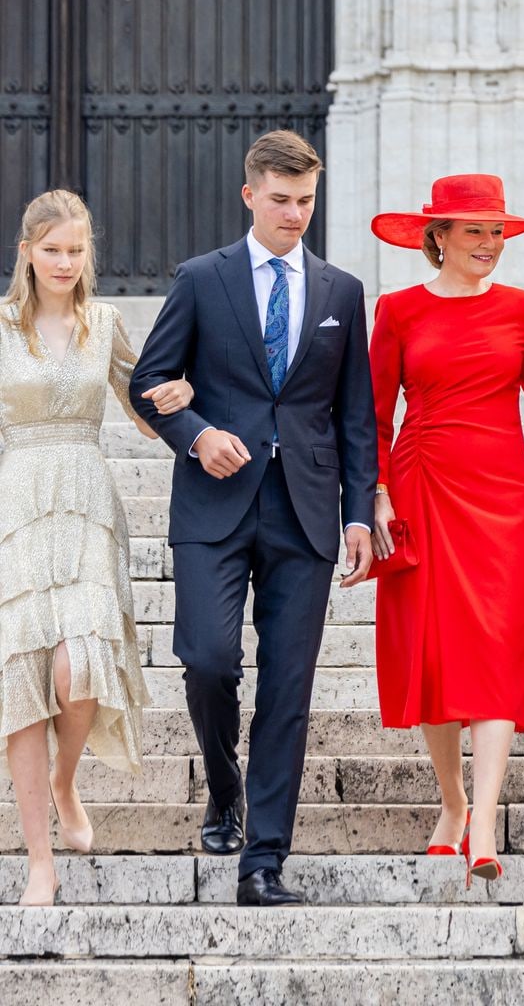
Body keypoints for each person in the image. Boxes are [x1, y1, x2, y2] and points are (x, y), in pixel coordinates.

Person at [130, 130, 378, 905]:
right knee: (207, 660)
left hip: (305, 512)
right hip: (213, 505)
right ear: (250, 195)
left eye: (306, 201)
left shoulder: (341, 292)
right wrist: (197, 434)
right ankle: (225, 787)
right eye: (280, 200)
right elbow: (150, 381)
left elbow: (356, 417)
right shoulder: (203, 279)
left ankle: (264, 858)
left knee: (289, 688)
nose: (294, 215)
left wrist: (360, 515)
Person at [0, 190, 192, 905]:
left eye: (76, 250)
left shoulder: (103, 323)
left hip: (86, 509)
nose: (64, 261)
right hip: (17, 507)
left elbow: (144, 412)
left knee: (78, 667)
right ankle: (39, 859)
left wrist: (182, 398)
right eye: (51, 249)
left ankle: (64, 777)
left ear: (89, 255)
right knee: (23, 682)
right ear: (26, 252)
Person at [368, 174, 524, 886]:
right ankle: (452, 803)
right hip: (421, 488)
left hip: (503, 495)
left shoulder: (520, 310)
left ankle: (483, 821)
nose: (489, 244)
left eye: (498, 232)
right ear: (438, 237)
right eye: (474, 231)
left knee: (495, 650)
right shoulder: (397, 310)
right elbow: (372, 412)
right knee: (435, 654)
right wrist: (378, 492)